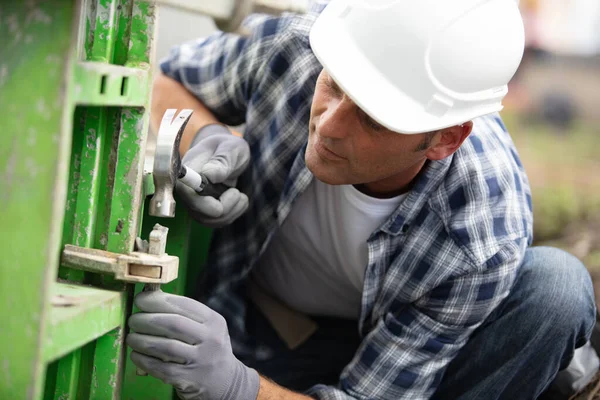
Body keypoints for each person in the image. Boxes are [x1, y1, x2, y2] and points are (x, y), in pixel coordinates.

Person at [125, 1, 596, 399]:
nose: (328, 126)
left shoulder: (480, 233)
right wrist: (201, 135)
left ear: (445, 139)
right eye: (333, 87)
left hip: (390, 357)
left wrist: (238, 387)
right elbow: (167, 80)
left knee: (557, 289)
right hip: (243, 311)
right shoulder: (303, 45)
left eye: (373, 119)